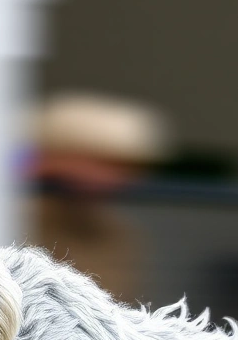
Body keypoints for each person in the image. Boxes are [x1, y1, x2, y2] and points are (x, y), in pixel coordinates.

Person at [29, 93, 166, 304]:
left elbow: (115, 307)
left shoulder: (116, 234)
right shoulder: (5, 215)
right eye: (103, 162)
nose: (121, 177)